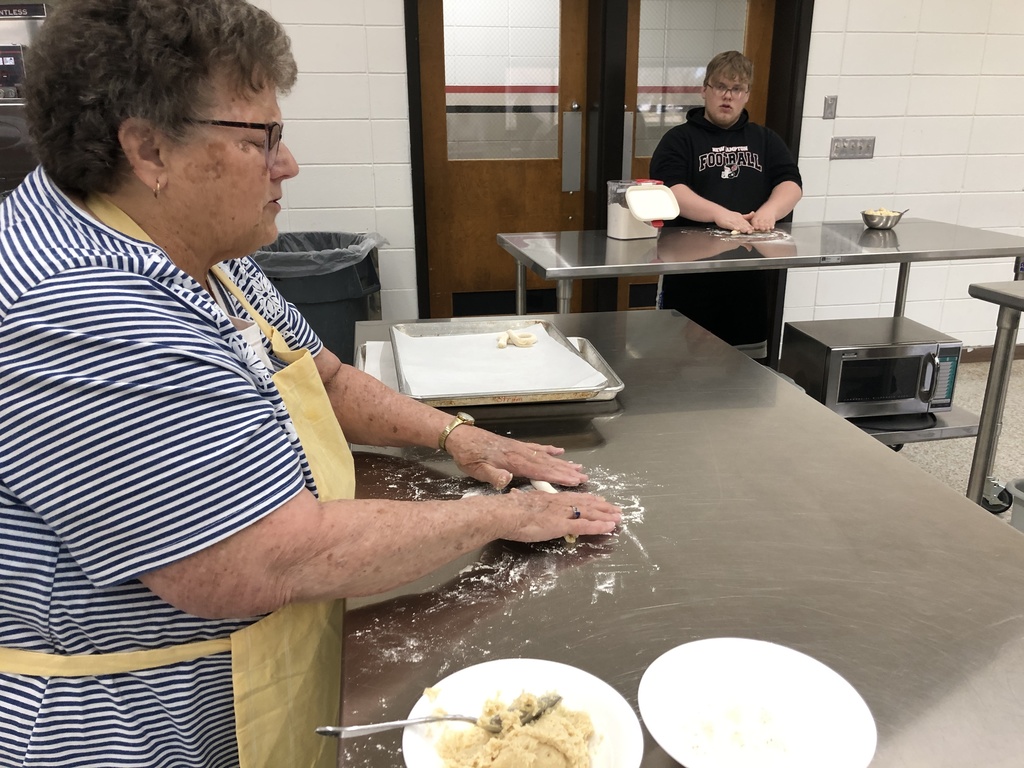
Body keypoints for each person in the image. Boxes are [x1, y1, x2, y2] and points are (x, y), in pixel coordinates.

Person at [0, 2, 621, 767]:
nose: (286, 165)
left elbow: (319, 375)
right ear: (148, 149)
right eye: (261, 139)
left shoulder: (196, 250)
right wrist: (501, 516)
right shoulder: (85, 313)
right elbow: (263, 556)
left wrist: (460, 435)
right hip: (134, 728)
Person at [649, 50, 803, 359]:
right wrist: (721, 216)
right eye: (720, 86)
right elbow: (671, 190)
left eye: (737, 89)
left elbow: (791, 182)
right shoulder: (679, 139)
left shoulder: (765, 139)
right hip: (690, 274)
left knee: (747, 366)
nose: (727, 96)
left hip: (748, 275)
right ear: (704, 89)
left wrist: (768, 212)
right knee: (682, 363)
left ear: (747, 94)